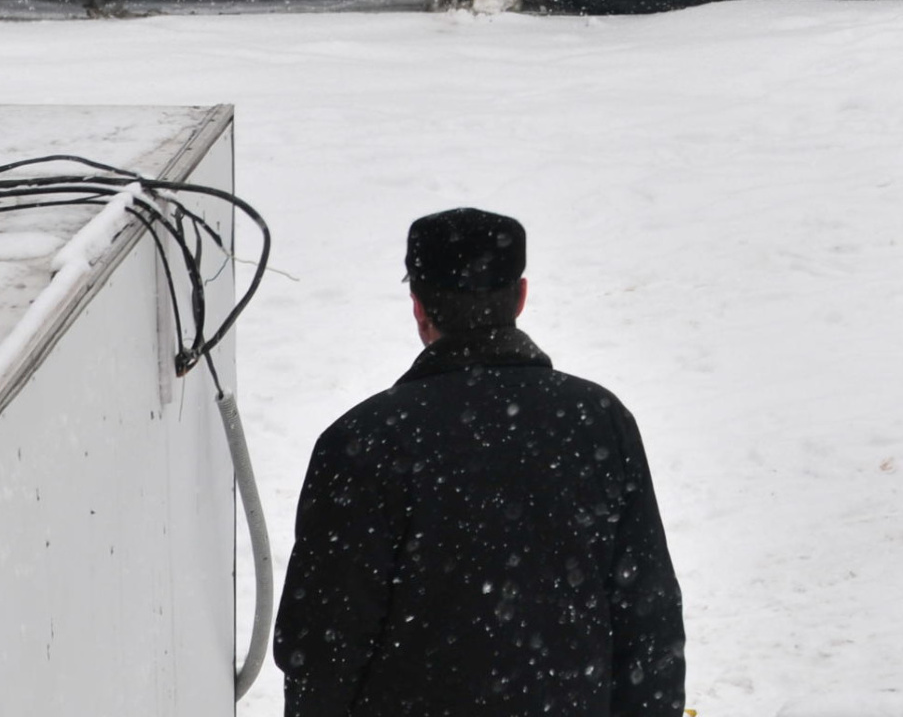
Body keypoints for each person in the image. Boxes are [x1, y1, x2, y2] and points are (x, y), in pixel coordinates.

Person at [273, 208, 685, 717]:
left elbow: (323, 644)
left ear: (419, 307)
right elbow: (649, 618)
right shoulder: (598, 421)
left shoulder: (364, 440)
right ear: (522, 295)